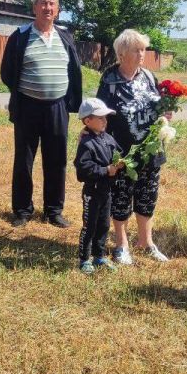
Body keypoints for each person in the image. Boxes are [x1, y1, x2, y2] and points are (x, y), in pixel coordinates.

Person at [0, 0, 83, 228]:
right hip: (27, 107)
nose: (48, 8)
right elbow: (7, 72)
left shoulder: (65, 36)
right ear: (34, 8)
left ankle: (54, 210)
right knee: (24, 159)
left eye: (52, 4)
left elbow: (73, 71)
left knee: (57, 160)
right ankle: (23, 211)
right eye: (43, 4)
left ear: (57, 10)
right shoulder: (20, 35)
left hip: (58, 107)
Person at [96, 29, 170, 264]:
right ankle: (121, 244)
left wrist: (166, 115)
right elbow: (100, 115)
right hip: (121, 152)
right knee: (120, 196)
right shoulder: (109, 79)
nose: (142, 54)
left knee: (147, 195)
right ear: (122, 53)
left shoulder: (148, 76)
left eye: (143, 49)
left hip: (150, 151)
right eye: (137, 50)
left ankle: (146, 242)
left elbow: (158, 108)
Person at [73, 98, 124, 274]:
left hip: (106, 192)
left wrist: (123, 162)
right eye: (100, 118)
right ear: (88, 121)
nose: (105, 121)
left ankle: (99, 256)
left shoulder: (107, 138)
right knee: (90, 226)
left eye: (106, 117)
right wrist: (105, 170)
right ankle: (84, 258)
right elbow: (83, 170)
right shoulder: (86, 144)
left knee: (103, 225)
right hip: (92, 192)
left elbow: (119, 153)